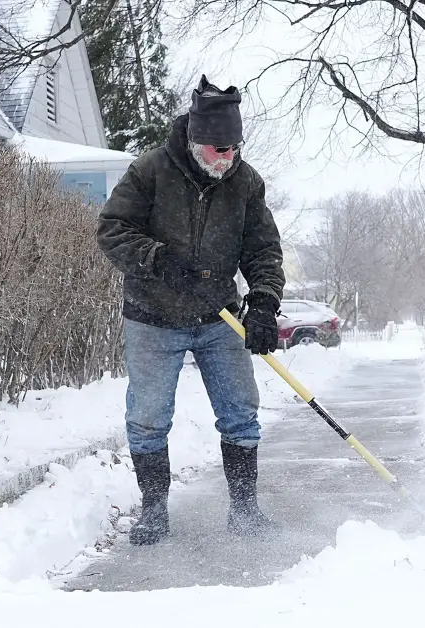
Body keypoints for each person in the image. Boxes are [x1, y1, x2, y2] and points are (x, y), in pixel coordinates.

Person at [95, 75, 285, 546]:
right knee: (149, 416)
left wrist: (263, 302)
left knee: (241, 411)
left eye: (234, 148)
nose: (229, 157)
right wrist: (157, 259)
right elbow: (112, 228)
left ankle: (245, 511)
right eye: (220, 149)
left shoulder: (245, 182)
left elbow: (263, 249)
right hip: (152, 316)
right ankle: (154, 510)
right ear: (197, 141)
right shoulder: (151, 171)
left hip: (218, 317)